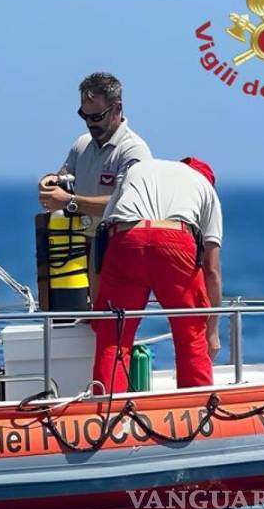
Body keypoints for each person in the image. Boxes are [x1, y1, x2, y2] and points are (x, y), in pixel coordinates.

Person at [89, 157, 223, 394]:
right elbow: (211, 270)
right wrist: (212, 332)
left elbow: (102, 239)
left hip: (126, 238)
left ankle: (106, 417)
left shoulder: (139, 169)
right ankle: (197, 412)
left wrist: (98, 307)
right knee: (191, 336)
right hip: (176, 241)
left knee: (113, 340)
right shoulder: (205, 189)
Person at [38, 72, 152, 295]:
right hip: (81, 249)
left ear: (117, 108)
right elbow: (63, 177)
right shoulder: (82, 145)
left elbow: (126, 206)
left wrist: (70, 202)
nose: (90, 123)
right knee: (81, 317)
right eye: (84, 115)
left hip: (118, 251)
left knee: (110, 320)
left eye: (97, 116)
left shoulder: (133, 151)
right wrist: (49, 183)